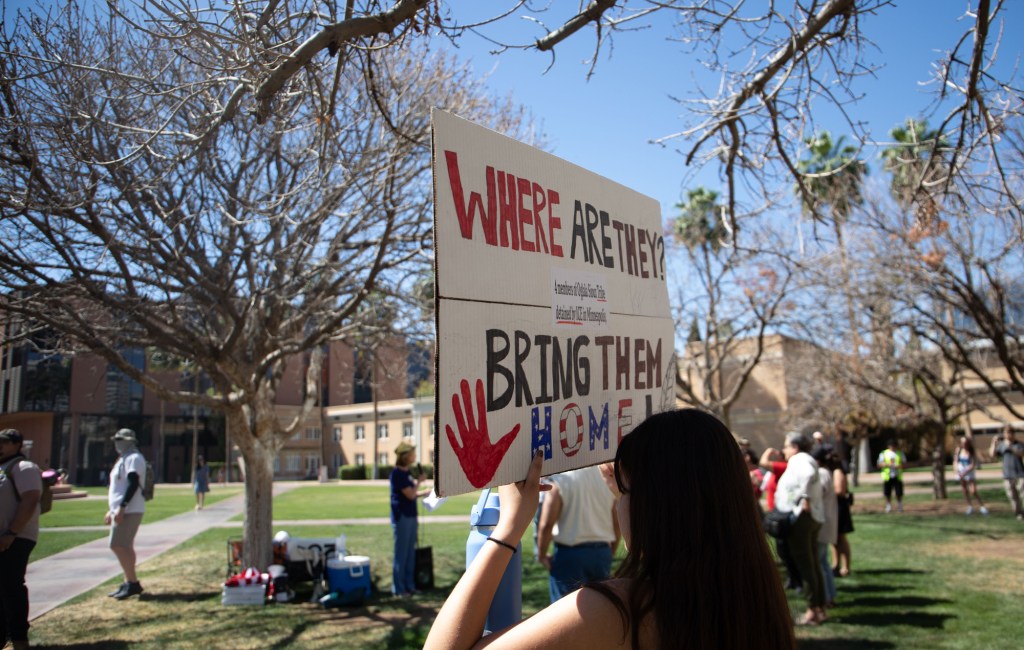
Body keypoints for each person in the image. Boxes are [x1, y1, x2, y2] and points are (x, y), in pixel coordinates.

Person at [424, 409, 796, 650]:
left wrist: (507, 530)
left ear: (658, 509)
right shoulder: (756, 598)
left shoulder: (612, 613)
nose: (618, 503)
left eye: (627, 492)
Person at [536, 465, 618, 602]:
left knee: (563, 614)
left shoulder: (561, 477)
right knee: (599, 609)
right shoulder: (607, 476)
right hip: (602, 553)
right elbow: (616, 522)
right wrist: (611, 551)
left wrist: (541, 554)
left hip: (570, 555)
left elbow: (546, 524)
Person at [775, 432, 826, 626]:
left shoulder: (800, 460)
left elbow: (808, 474)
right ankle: (819, 607)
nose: (784, 449)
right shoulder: (804, 459)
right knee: (812, 564)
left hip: (801, 518)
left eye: (787, 446)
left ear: (795, 447)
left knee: (805, 565)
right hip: (809, 516)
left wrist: (803, 497)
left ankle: (813, 610)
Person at [0, 429, 42, 650]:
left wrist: (11, 533)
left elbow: (31, 499)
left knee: (11, 586)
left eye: (4, 442)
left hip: (16, 537)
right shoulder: (3, 468)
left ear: (17, 445)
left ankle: (19, 639)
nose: (0, 446)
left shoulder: (24, 468)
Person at [106, 428, 147, 600]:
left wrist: (122, 507)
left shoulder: (134, 458)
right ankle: (129, 581)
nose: (117, 443)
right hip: (123, 509)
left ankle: (132, 582)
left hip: (130, 509)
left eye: (120, 440)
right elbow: (119, 486)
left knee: (117, 544)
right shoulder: (124, 458)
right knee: (126, 546)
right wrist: (113, 509)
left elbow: (133, 483)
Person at [390, 442, 430, 596]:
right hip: (402, 518)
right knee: (402, 554)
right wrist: (419, 482)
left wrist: (423, 492)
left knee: (411, 553)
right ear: (405, 456)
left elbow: (411, 494)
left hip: (411, 516)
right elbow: (410, 494)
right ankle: (399, 589)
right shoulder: (397, 474)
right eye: (412, 454)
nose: (414, 457)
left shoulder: (406, 472)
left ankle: (410, 585)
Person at [812, 446, 838, 609]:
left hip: (822, 522)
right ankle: (830, 595)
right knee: (823, 561)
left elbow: (817, 493)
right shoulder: (827, 472)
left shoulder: (821, 473)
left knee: (820, 562)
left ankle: (826, 597)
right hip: (827, 521)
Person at [989, 425, 1024, 520]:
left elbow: (1021, 454)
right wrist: (993, 443)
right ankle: (1019, 514)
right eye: (1007, 432)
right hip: (1007, 475)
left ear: (1013, 433)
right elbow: (992, 455)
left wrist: (1011, 448)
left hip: (1020, 474)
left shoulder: (1019, 444)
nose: (1009, 434)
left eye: (1011, 432)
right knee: (1013, 496)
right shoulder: (1001, 445)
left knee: (1022, 495)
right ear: (1004, 434)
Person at [953, 436, 988, 515]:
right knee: (965, 490)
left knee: (973, 491)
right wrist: (956, 470)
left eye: (965, 443)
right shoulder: (958, 450)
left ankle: (982, 506)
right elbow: (955, 461)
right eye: (962, 442)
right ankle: (970, 506)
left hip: (969, 473)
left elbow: (972, 464)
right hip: (960, 473)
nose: (964, 444)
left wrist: (965, 472)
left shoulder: (971, 452)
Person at [833, 452, 854, 578]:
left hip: (840, 507)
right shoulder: (835, 471)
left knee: (841, 538)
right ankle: (836, 564)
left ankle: (846, 566)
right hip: (835, 507)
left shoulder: (838, 471)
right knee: (834, 539)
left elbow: (840, 491)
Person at [876, 439, 906, 513]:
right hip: (887, 476)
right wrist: (887, 464)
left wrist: (898, 466)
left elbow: (904, 464)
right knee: (887, 493)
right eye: (891, 445)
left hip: (897, 475)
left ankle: (899, 505)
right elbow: (879, 464)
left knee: (899, 492)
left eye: (893, 445)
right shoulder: (884, 453)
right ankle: (888, 505)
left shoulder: (899, 453)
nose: (892, 447)